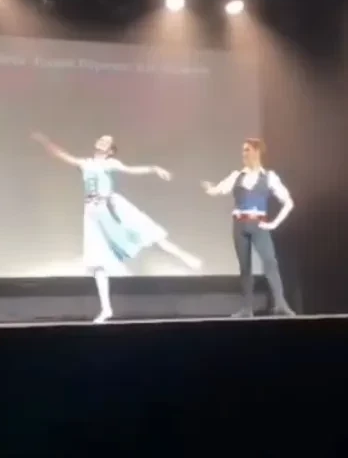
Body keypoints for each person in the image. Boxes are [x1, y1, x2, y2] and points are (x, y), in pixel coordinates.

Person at [32, 132, 202, 323]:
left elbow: (131, 170)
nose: (102, 142)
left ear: (111, 151)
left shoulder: (110, 163)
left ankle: (184, 256)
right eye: (101, 139)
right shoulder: (85, 163)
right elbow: (62, 156)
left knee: (147, 232)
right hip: (93, 213)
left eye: (107, 141)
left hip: (112, 206)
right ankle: (106, 309)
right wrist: (45, 142)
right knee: (97, 260)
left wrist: (154, 168)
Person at [202, 138, 295, 317]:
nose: (244, 154)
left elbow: (288, 202)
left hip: (259, 224)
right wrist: (210, 188)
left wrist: (273, 223)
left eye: (247, 150)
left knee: (270, 262)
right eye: (243, 150)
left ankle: (281, 304)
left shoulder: (269, 177)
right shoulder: (236, 176)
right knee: (245, 267)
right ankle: (247, 308)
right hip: (240, 225)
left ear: (257, 152)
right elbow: (218, 190)